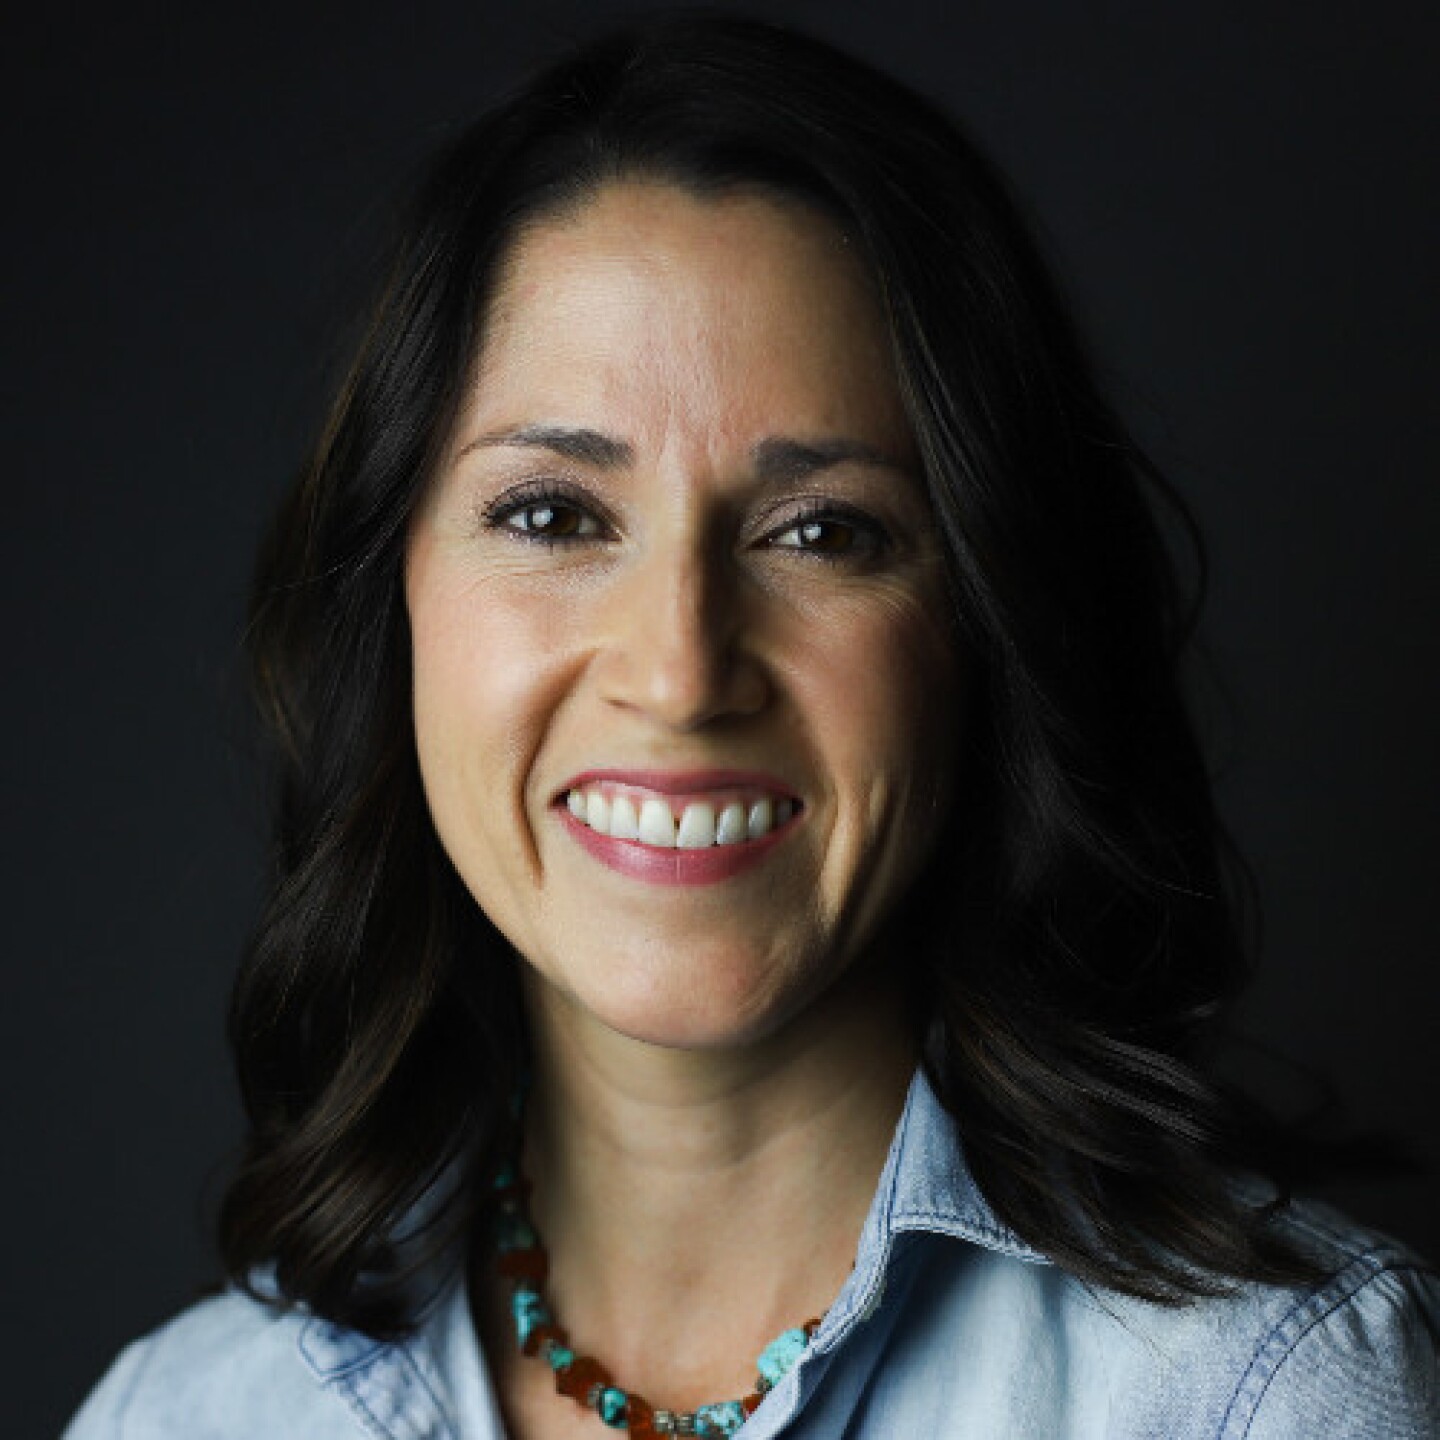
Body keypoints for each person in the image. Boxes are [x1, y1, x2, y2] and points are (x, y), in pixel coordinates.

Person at [66, 13, 1439, 1439]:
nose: (679, 671)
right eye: (552, 514)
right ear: (393, 594)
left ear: (986, 620)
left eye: (822, 532)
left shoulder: (1265, 1399)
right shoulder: (181, 1415)